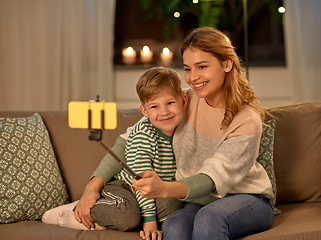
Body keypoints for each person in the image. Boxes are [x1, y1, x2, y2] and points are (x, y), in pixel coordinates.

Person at [75, 27, 274, 240]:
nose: (193, 77)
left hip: (247, 199)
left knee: (209, 218)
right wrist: (92, 187)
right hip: (198, 200)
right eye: (188, 68)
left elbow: (211, 179)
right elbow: (127, 141)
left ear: (227, 64)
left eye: (202, 66)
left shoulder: (246, 120)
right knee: (176, 224)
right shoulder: (182, 102)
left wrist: (163, 189)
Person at [42, 66, 187, 240]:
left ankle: (108, 221)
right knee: (128, 214)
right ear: (144, 112)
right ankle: (78, 212)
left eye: (170, 103)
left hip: (151, 192)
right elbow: (140, 181)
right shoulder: (144, 135)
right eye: (155, 106)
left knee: (173, 204)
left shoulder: (185, 131)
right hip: (124, 188)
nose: (164, 112)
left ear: (183, 101)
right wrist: (149, 223)